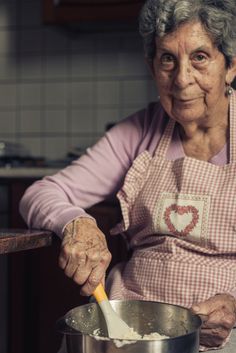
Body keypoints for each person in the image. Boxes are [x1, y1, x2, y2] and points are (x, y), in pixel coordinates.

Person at [20, 0, 236, 351]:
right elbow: (41, 194)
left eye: (200, 57)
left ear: (230, 66)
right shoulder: (139, 132)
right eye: (167, 59)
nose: (182, 79)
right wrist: (77, 224)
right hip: (123, 327)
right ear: (152, 68)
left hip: (224, 336)